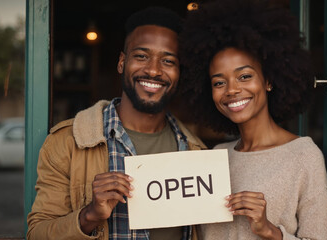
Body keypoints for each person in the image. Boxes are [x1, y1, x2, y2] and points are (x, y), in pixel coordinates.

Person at [27, 7, 206, 240]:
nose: (153, 70)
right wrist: (89, 216)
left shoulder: (197, 153)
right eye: (141, 56)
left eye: (168, 60)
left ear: (179, 72)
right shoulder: (67, 143)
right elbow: (36, 234)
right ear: (122, 63)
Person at [179, 0, 327, 239]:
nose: (231, 89)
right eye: (219, 82)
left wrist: (270, 231)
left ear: (269, 80)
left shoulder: (304, 155)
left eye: (244, 76)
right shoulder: (216, 157)